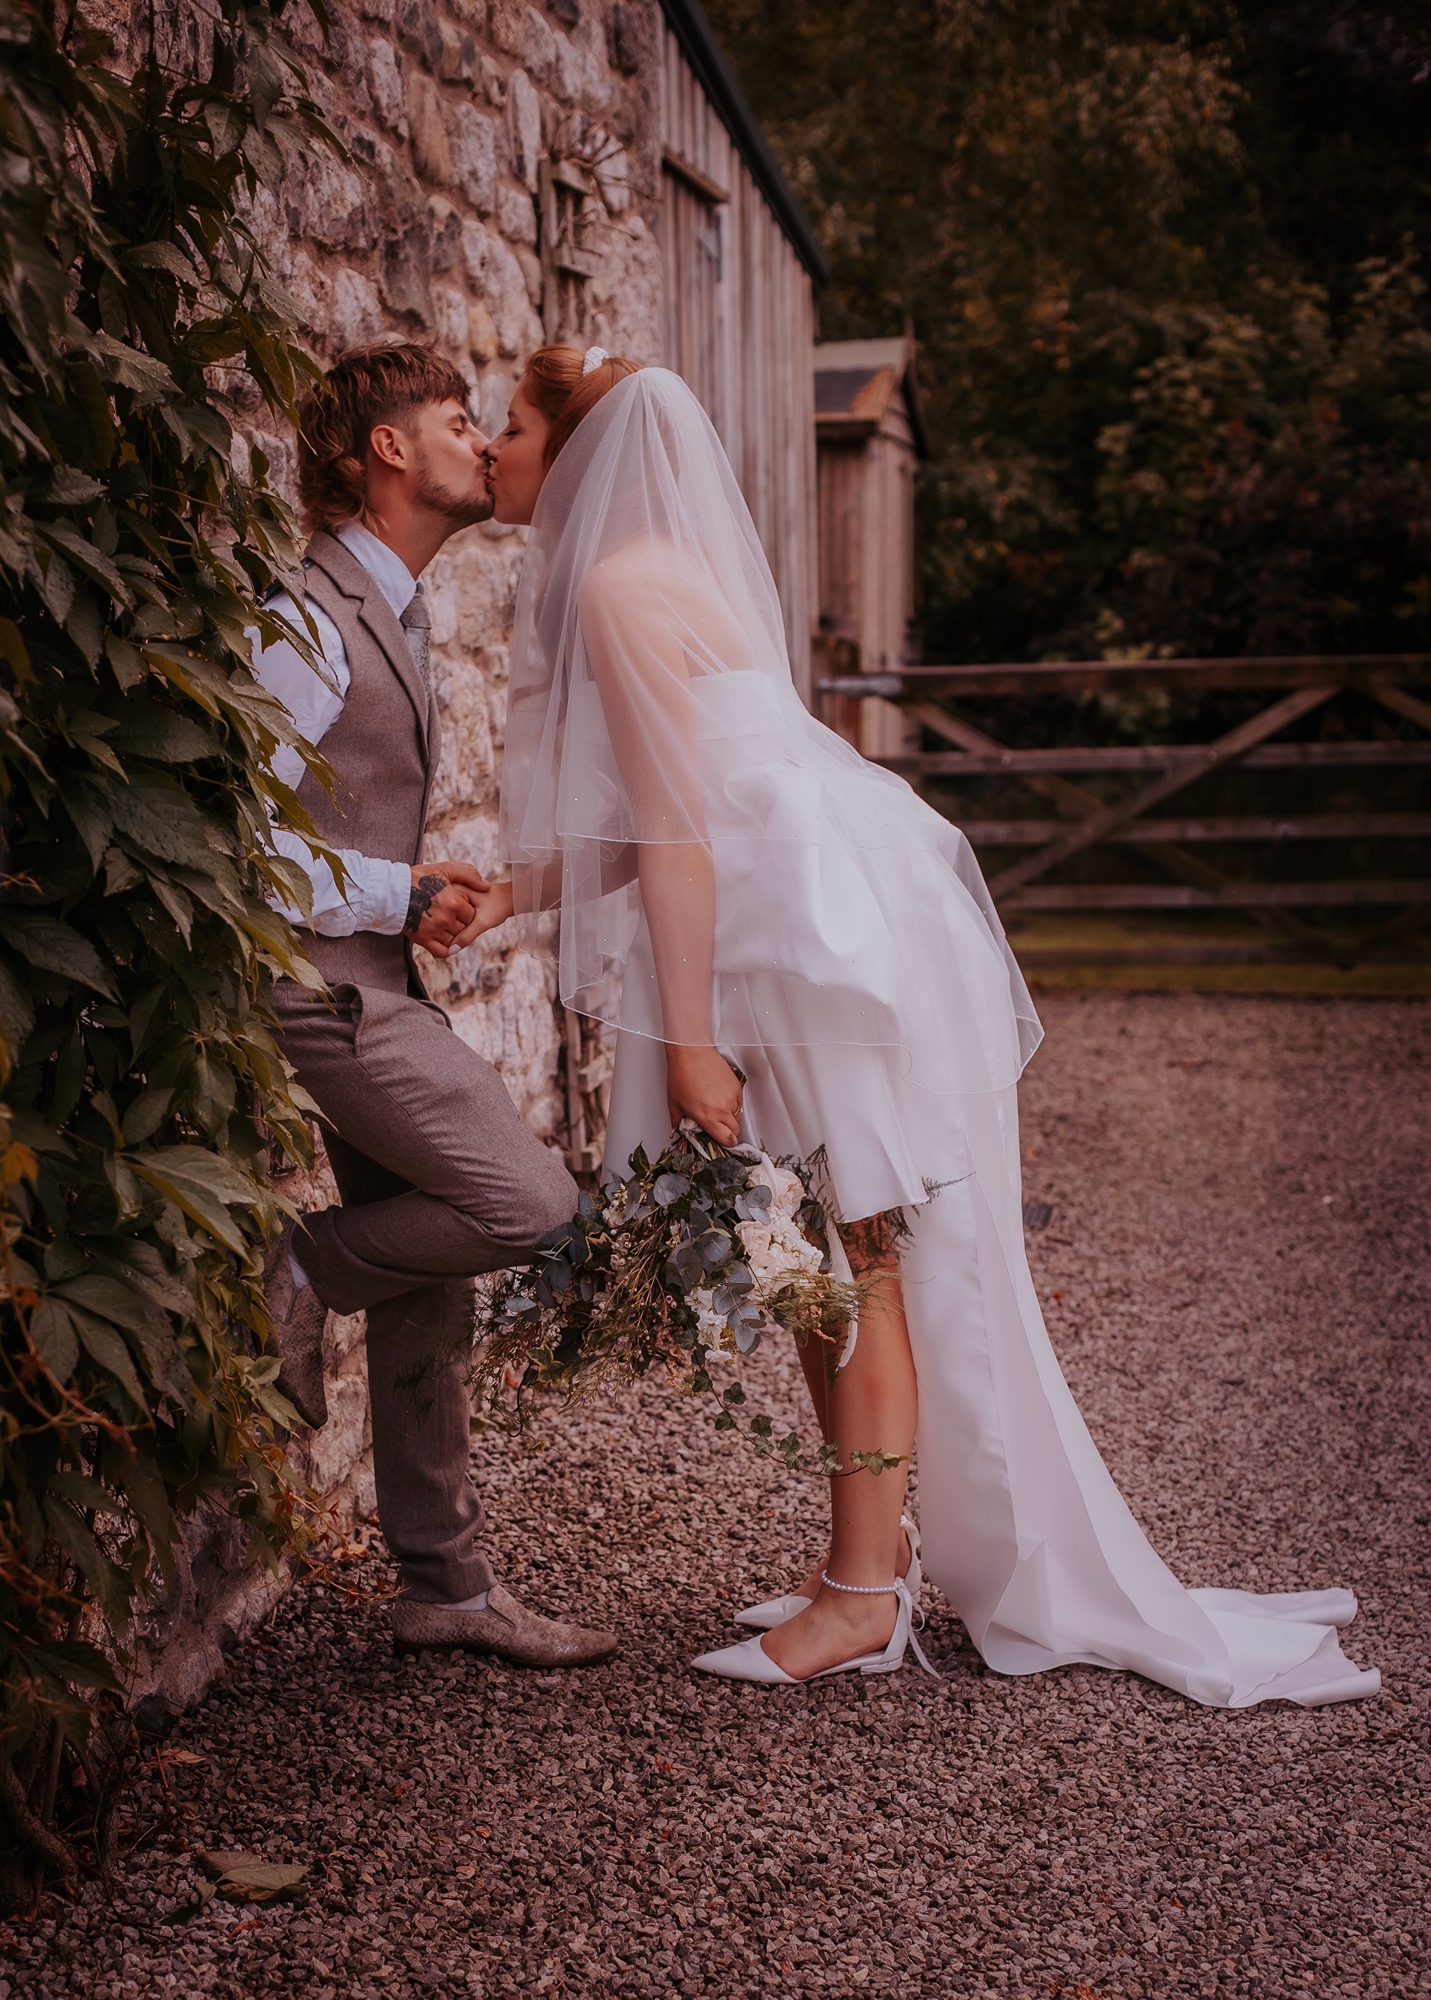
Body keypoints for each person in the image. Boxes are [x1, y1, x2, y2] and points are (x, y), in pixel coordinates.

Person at [458, 342, 1380, 1706]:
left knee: (849, 1259)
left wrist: (693, 1040)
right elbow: (675, 809)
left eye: (513, 425)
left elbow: (681, 834)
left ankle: (860, 1599)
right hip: (816, 917)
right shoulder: (667, 570)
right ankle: (868, 1556)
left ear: (577, 450)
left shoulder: (612, 583)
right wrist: (511, 896)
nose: (492, 448)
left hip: (797, 943)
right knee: (812, 1256)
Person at [250, 342, 617, 1669]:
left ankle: (445, 1587)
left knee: (430, 1288)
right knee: (530, 1203)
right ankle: (296, 1267)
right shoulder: (305, 614)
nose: (483, 440)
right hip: (316, 991)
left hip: (368, 973)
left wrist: (408, 901)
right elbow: (234, 842)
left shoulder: (390, 608)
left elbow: (330, 822)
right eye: (460, 419)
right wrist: (395, 891)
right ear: (388, 449)